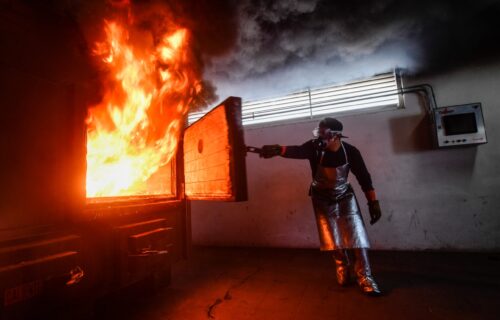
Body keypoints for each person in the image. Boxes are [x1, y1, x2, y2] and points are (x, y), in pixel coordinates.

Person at [260, 117, 383, 296]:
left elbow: (364, 178)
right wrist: (279, 149)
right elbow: (298, 151)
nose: (319, 139)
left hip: (345, 196)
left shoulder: (351, 152)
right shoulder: (314, 148)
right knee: (332, 237)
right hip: (321, 197)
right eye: (319, 133)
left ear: (336, 136)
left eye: (324, 135)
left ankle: (365, 277)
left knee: (357, 237)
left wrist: (373, 202)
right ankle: (343, 267)